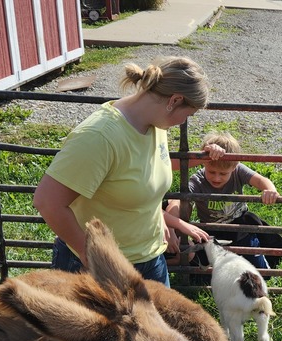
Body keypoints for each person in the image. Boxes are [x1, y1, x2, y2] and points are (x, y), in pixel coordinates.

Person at [33, 56, 211, 286]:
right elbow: (48, 201)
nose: (184, 121)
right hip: (100, 268)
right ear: (174, 100)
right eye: (189, 114)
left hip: (151, 260)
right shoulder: (100, 136)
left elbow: (139, 178)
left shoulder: (155, 125)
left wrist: (157, 220)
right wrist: (90, 255)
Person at [181, 131, 282, 271]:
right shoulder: (197, 180)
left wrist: (270, 189)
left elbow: (262, 180)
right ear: (204, 163)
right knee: (200, 270)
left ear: (234, 166)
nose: (217, 178)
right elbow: (182, 198)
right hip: (211, 229)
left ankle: (255, 248)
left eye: (223, 174)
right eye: (211, 172)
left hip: (239, 225)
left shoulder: (238, 171)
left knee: (260, 270)